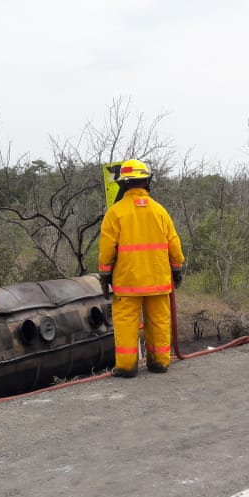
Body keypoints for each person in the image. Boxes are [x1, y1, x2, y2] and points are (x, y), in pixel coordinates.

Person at [97, 159, 185, 377]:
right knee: (159, 322)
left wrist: (105, 275)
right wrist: (176, 269)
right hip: (158, 280)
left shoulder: (115, 213)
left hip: (127, 283)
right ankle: (159, 362)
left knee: (126, 324)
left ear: (123, 184)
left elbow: (107, 249)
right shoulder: (159, 211)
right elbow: (174, 244)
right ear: (147, 181)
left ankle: (127, 367)